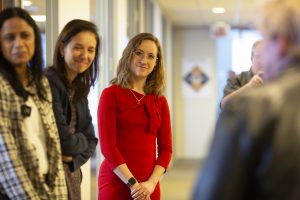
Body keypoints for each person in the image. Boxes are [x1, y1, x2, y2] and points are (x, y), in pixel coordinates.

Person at [193, 0, 300, 199]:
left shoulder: (252, 107)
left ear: (281, 43)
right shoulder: (241, 82)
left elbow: (212, 193)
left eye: (265, 39)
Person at [0, 7, 67, 199]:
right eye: (10, 37)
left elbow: (52, 143)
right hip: (13, 192)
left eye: (25, 35)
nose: (19, 43)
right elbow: (5, 155)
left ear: (35, 40)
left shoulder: (40, 83)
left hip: (46, 183)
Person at [97, 32, 172, 200]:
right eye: (139, 53)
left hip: (149, 186)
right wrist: (133, 184)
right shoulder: (111, 95)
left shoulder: (160, 101)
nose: (144, 60)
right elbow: (108, 146)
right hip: (116, 182)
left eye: (151, 56)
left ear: (156, 63)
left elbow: (166, 149)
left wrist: (151, 183)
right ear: (129, 54)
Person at [46, 19, 99, 199]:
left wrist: (74, 158)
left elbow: (92, 139)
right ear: (62, 49)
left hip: (72, 175)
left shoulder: (79, 89)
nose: (85, 55)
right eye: (78, 47)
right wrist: (81, 141)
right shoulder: (49, 83)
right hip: (51, 179)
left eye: (91, 49)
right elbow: (64, 142)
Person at [221, 40, 264, 108]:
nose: (263, 60)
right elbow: (224, 105)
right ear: (251, 58)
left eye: (267, 56)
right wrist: (248, 87)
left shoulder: (278, 80)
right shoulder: (237, 79)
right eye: (259, 56)